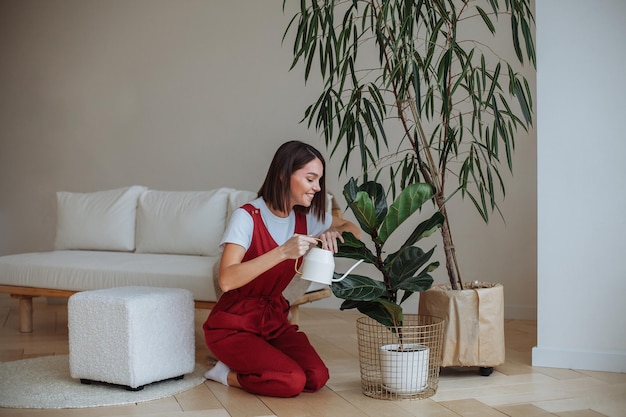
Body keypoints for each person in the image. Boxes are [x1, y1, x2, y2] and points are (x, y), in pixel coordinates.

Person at [202, 140, 360, 398]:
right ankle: (224, 373)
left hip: (274, 321)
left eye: (319, 180)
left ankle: (261, 358)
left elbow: (354, 230)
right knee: (291, 381)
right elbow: (227, 280)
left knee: (317, 376)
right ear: (284, 175)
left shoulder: (308, 217)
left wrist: (333, 230)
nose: (317, 188)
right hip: (233, 326)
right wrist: (282, 252)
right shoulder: (247, 216)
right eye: (310, 179)